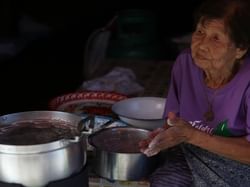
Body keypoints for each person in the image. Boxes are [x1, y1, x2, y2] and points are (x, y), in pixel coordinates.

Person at [139, 0, 250, 186]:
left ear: (240, 49)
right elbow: (174, 121)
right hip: (192, 153)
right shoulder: (185, 64)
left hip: (240, 165)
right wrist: (162, 137)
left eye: (216, 38)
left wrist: (192, 135)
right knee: (164, 181)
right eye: (200, 32)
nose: (202, 45)